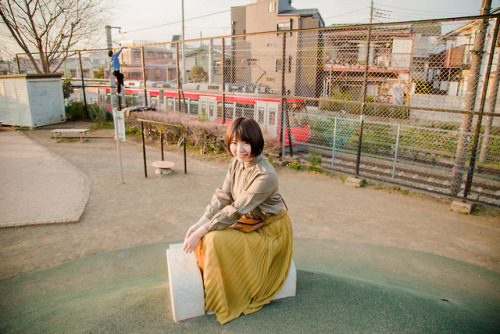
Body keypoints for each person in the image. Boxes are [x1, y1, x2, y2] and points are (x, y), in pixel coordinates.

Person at [183, 117, 293, 325]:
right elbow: (223, 196)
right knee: (209, 236)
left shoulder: (265, 175)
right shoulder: (236, 163)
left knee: (213, 239)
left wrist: (200, 232)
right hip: (250, 223)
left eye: (245, 142)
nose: (239, 149)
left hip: (271, 232)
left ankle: (225, 296)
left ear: (255, 142)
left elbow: (235, 209)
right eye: (234, 142)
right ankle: (216, 285)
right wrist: (200, 223)